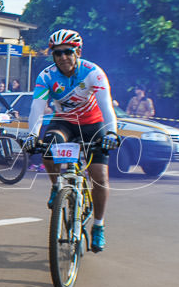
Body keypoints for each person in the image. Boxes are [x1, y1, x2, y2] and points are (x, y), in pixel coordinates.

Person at [25, 30, 119, 252]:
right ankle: (57, 186)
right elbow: (37, 107)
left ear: (78, 51)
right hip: (64, 122)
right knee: (47, 149)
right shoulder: (46, 76)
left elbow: (107, 107)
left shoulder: (93, 73)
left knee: (100, 175)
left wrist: (111, 134)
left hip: (93, 123)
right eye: (57, 53)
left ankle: (98, 226)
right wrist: (31, 135)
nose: (62, 57)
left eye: (68, 52)